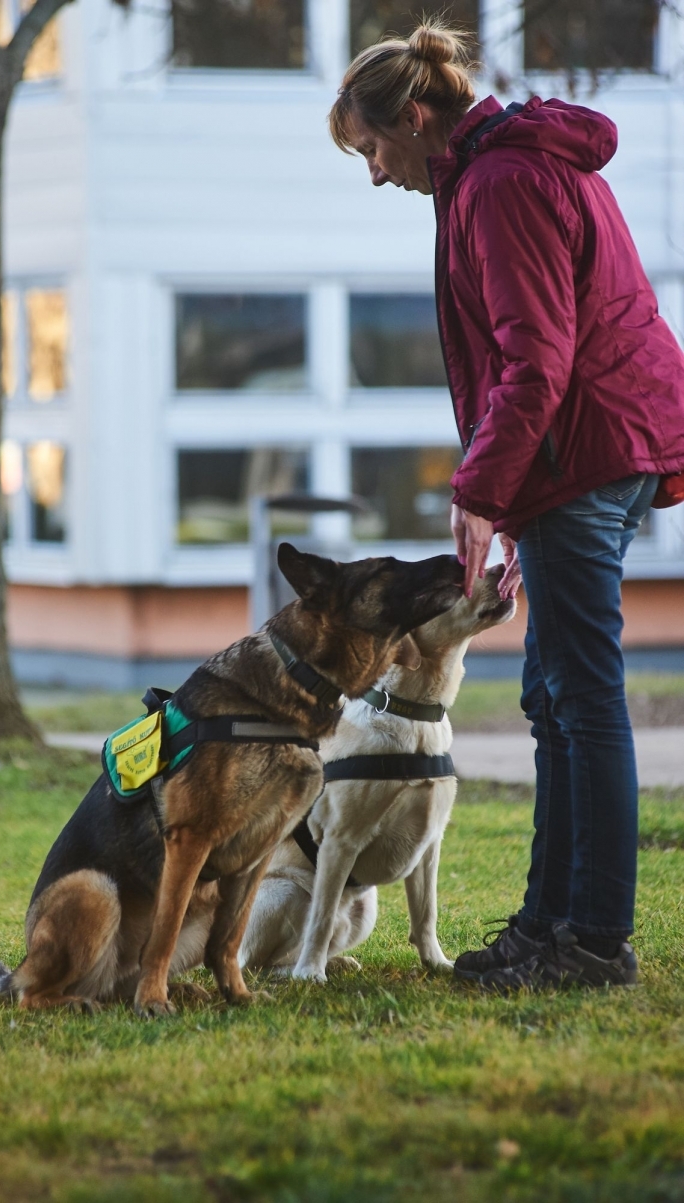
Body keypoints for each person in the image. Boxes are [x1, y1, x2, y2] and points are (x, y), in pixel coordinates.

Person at [328, 19, 684, 991]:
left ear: (411, 116)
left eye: (369, 149)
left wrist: (481, 496)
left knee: (581, 694)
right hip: (575, 455)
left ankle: (590, 939)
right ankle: (545, 925)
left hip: (579, 449)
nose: (372, 172)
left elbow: (534, 362)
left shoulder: (499, 183)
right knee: (552, 695)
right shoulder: (503, 171)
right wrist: (513, 499)